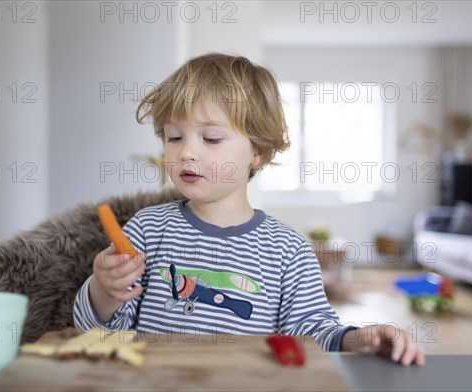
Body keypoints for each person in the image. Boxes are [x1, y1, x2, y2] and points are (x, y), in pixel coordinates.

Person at [73, 53, 425, 366]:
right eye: (174, 137)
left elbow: (312, 331)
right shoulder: (146, 230)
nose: (186, 153)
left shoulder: (288, 250)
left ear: (258, 152)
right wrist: (103, 291)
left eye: (210, 138)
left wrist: (355, 339)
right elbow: (100, 332)